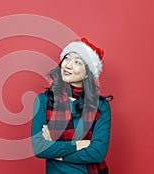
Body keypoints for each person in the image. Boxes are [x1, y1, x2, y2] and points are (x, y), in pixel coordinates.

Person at [31, 38, 113, 174]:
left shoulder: (101, 106)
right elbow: (39, 148)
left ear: (88, 73)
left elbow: (97, 153)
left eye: (77, 62)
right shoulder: (43, 101)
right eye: (67, 58)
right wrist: (78, 144)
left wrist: (56, 151)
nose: (68, 65)